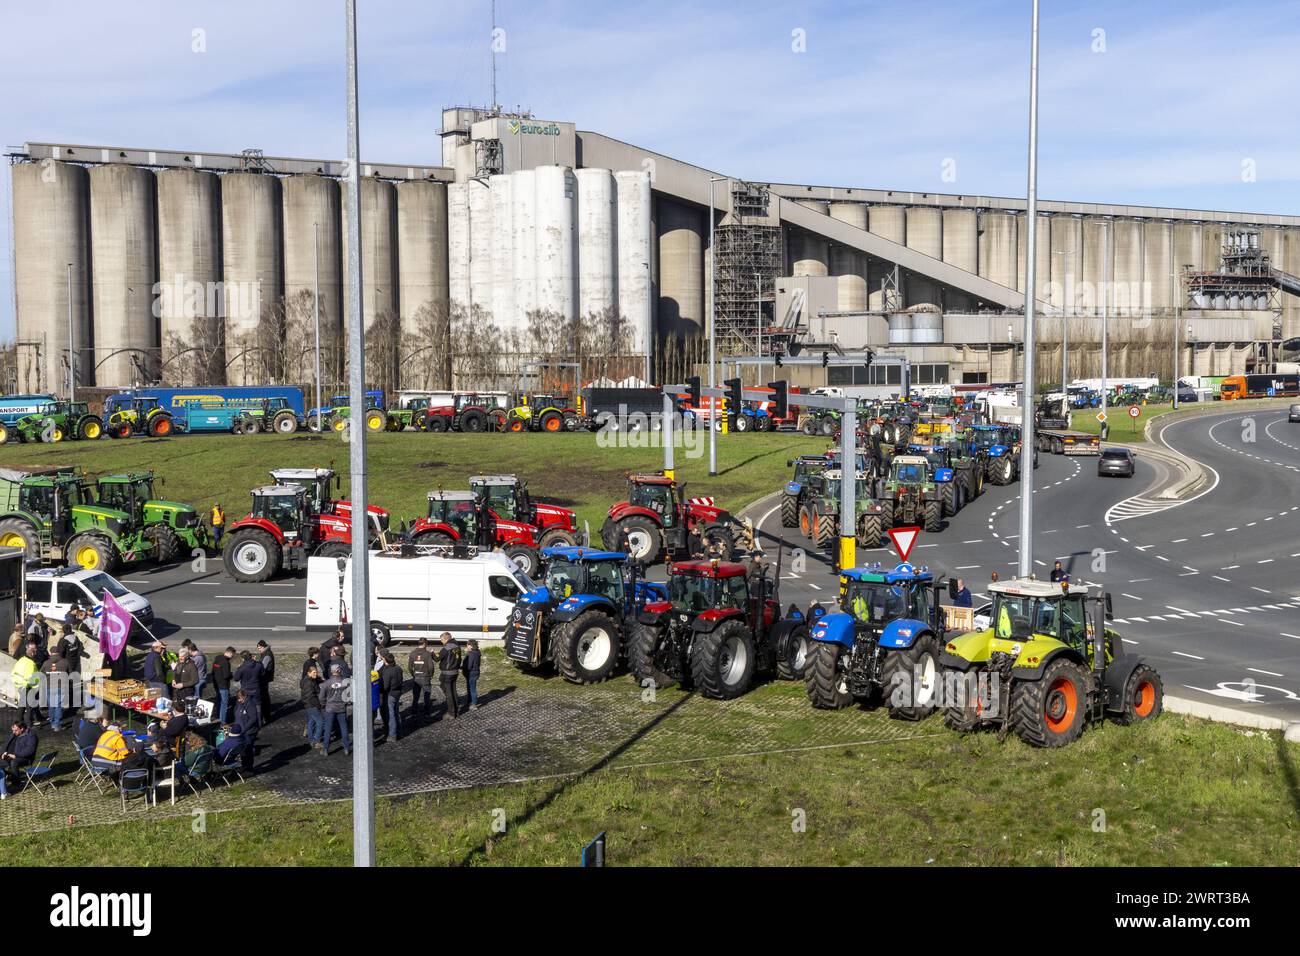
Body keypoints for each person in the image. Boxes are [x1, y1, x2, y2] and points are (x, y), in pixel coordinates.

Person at [319, 664, 351, 757]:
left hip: (330, 708)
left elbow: (321, 697)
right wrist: (346, 703)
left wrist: (324, 704)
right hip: (341, 708)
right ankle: (346, 748)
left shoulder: (327, 683)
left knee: (328, 729)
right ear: (339, 670)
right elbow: (349, 695)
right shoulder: (345, 682)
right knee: (344, 728)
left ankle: (325, 749)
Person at [0, 722, 38, 799]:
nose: (13, 732)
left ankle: (16, 783)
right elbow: (5, 745)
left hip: (26, 758)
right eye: (13, 730)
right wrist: (3, 753)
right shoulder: (15, 734)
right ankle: (7, 779)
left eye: (15, 730)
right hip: (12, 755)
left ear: (22, 729)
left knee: (14, 763)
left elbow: (30, 751)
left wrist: (16, 755)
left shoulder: (31, 736)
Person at [41, 649, 72, 731]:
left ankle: (52, 722)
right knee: (58, 706)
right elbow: (71, 674)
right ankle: (57, 725)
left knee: (51, 705)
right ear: (58, 653)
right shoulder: (65, 662)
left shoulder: (46, 663)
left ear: (51, 653)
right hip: (61, 687)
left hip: (49, 687)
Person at [232, 690, 261, 771]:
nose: (239, 700)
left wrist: (244, 729)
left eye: (240, 699)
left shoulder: (250, 704)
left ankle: (249, 769)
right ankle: (244, 765)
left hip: (249, 731)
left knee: (248, 750)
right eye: (238, 699)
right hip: (241, 731)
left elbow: (253, 719)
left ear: (244, 696)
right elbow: (236, 713)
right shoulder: (239, 703)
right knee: (242, 750)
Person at [407, 638, 436, 717]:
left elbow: (409, 667)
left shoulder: (412, 653)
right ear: (424, 644)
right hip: (426, 677)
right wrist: (431, 675)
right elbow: (431, 667)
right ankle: (426, 712)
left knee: (415, 696)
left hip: (416, 677)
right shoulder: (427, 654)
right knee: (426, 696)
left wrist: (413, 674)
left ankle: (414, 712)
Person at [378, 653, 403, 743]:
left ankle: (392, 735)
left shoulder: (388, 672)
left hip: (390, 694)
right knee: (396, 713)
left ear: (385, 661)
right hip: (397, 693)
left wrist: (379, 689)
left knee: (391, 714)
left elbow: (385, 686)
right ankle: (399, 732)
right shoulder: (398, 668)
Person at [437, 632, 462, 720]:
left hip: (447, 672)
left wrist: (432, 653)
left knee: (449, 692)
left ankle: (451, 713)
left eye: (442, 640)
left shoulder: (447, 647)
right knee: (453, 690)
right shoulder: (457, 645)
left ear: (446, 638)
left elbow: (437, 658)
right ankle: (456, 709)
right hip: (455, 671)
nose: (441, 642)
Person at [301, 663, 324, 749]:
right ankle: (316, 740)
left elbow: (317, 679)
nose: (316, 674)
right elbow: (310, 697)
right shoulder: (309, 683)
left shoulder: (310, 680)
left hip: (308, 705)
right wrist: (319, 705)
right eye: (314, 673)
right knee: (320, 722)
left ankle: (311, 740)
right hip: (311, 705)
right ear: (309, 673)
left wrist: (320, 679)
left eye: (316, 672)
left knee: (311, 721)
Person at [212, 647, 235, 725]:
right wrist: (232, 674)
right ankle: (223, 722)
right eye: (233, 655)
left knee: (218, 701)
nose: (232, 657)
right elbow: (226, 675)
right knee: (224, 704)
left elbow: (213, 672)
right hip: (223, 685)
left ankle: (218, 717)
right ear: (230, 653)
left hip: (216, 684)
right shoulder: (226, 662)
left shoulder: (217, 659)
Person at [256, 640, 275, 722]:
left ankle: (266, 716)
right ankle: (267, 715)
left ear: (263, 646)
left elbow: (262, 667)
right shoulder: (266, 653)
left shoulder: (267, 655)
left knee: (264, 698)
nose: (258, 650)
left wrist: (255, 664)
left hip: (264, 679)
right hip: (265, 678)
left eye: (259, 648)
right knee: (265, 697)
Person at [462, 640, 481, 711]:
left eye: (467, 645)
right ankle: (470, 701)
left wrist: (463, 667)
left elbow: (469, 665)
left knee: (472, 689)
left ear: (471, 646)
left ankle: (474, 704)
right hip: (476, 672)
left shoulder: (471, 654)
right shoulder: (477, 652)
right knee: (470, 687)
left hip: (471, 673)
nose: (466, 646)